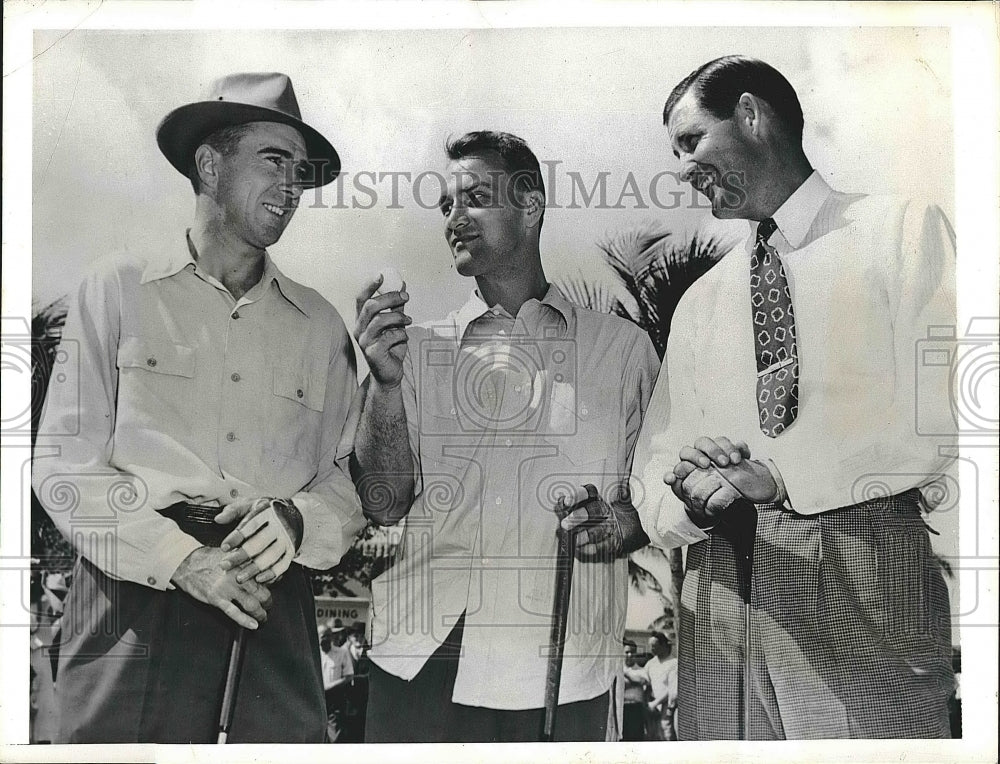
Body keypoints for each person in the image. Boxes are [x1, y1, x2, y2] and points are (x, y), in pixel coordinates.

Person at [32, 72, 365, 743]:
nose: (293, 186)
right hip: (134, 592)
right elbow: (62, 464)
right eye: (275, 160)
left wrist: (301, 521)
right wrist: (182, 559)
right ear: (209, 165)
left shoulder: (322, 326)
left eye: (301, 170)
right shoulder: (118, 289)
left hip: (274, 598)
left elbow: (348, 485)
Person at [633, 55, 956, 739]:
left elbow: (946, 413)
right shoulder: (700, 301)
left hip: (863, 566)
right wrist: (688, 493)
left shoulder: (901, 231)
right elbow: (654, 458)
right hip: (716, 589)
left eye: (690, 140)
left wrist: (782, 477)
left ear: (750, 115)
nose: (683, 167)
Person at [351, 131, 660, 742]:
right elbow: (381, 502)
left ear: (532, 204)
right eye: (445, 206)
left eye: (474, 199)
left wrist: (623, 520)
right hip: (422, 660)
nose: (454, 220)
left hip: (562, 670)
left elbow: (658, 498)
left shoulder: (623, 351)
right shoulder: (417, 350)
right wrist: (385, 386)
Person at [624, 632, 677, 741]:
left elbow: (672, 690)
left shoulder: (674, 663)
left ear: (663, 645)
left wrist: (655, 703)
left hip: (665, 707)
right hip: (651, 708)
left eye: (654, 646)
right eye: (650, 646)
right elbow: (645, 681)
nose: (651, 649)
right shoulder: (651, 663)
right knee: (652, 737)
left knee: (666, 736)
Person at [320, 626, 355, 742]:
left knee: (334, 736)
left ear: (330, 638)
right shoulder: (315, 653)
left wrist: (330, 687)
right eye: (320, 638)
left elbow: (349, 676)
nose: (322, 642)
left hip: (334, 699)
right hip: (318, 698)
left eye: (325, 638)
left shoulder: (341, 653)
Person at [621, 639, 650, 741]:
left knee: (636, 740)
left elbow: (642, 680)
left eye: (632, 652)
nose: (629, 655)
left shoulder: (641, 670)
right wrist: (633, 682)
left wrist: (626, 674)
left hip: (636, 710)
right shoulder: (617, 671)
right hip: (622, 709)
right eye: (627, 652)